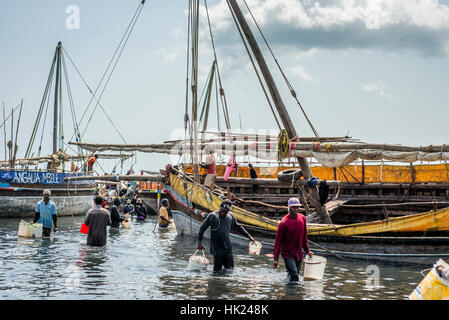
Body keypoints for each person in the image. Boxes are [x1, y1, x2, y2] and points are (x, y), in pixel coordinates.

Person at [197, 199, 255, 274]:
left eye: (225, 212)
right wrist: (199, 242)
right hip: (216, 249)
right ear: (220, 207)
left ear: (228, 211)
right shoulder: (213, 216)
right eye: (222, 210)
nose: (223, 213)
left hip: (227, 248)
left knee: (230, 269)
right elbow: (202, 228)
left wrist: (248, 236)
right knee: (217, 271)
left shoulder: (231, 216)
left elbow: (238, 227)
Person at [273, 197, 313, 282]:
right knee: (295, 276)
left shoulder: (302, 219)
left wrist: (307, 251)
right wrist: (276, 259)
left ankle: (290, 293)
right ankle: (293, 294)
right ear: (289, 208)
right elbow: (278, 242)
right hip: (287, 254)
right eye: (293, 207)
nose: (296, 209)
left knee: (294, 276)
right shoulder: (283, 223)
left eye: (297, 207)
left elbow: (304, 237)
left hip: (299, 254)